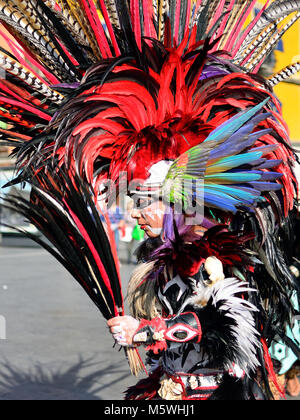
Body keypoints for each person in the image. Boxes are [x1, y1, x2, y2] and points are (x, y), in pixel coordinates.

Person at [0, 0, 300, 401]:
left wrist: (145, 331)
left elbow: (231, 327)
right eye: (133, 199)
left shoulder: (217, 257)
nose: (137, 212)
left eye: (146, 200)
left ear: (181, 199)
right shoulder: (162, 261)